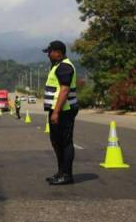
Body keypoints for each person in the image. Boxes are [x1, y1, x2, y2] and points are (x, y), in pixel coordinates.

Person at [43, 40, 79, 185]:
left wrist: (56, 112)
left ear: (58, 52)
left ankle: (67, 175)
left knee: (65, 142)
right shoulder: (57, 66)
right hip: (58, 110)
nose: (48, 55)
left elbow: (64, 90)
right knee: (56, 142)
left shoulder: (64, 67)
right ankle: (61, 172)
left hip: (64, 110)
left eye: (50, 52)